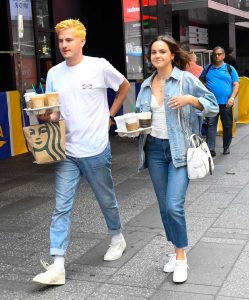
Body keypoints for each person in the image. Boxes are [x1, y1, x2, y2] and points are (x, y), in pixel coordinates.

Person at [32, 19, 130, 285]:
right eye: (61, 40)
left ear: (81, 41)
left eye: (69, 40)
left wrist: (110, 115)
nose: (63, 45)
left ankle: (117, 237)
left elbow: (124, 86)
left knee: (106, 199)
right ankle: (58, 265)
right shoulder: (54, 73)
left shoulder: (98, 66)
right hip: (66, 150)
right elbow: (53, 113)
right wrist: (43, 116)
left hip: (96, 148)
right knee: (61, 207)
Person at [136, 35, 218, 283]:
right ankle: (175, 250)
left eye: (162, 51)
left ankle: (181, 258)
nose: (157, 56)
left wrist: (191, 100)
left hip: (179, 152)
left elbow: (212, 105)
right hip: (154, 150)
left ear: (172, 55)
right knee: (163, 208)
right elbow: (141, 118)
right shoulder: (146, 86)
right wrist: (133, 128)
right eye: (153, 52)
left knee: (174, 205)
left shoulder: (185, 79)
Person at [200, 46, 239, 157]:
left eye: (219, 54)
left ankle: (226, 147)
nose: (216, 56)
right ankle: (211, 149)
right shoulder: (207, 68)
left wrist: (232, 98)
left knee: (227, 125)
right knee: (211, 125)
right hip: (211, 102)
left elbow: (236, 84)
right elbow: (201, 80)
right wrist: (204, 87)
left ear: (223, 55)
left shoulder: (229, 68)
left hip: (226, 103)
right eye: (215, 54)